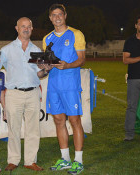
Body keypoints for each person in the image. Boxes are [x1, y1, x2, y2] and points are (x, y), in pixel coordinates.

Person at [0, 17, 49, 171]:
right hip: (14, 94)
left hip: (33, 93)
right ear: (17, 28)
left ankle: (30, 161)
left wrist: (47, 69)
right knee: (13, 129)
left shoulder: (36, 50)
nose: (26, 29)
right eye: (23, 26)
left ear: (32, 29)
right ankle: (13, 160)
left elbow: (40, 74)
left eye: (29, 26)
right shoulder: (7, 50)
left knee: (33, 129)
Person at [42, 4, 86, 175]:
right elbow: (48, 62)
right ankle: (65, 159)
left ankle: (79, 161)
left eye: (60, 14)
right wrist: (45, 66)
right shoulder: (47, 38)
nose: (57, 17)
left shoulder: (76, 34)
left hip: (70, 86)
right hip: (53, 86)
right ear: (50, 18)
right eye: (54, 15)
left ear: (65, 15)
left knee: (75, 121)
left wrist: (67, 65)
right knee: (59, 121)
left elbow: (82, 59)